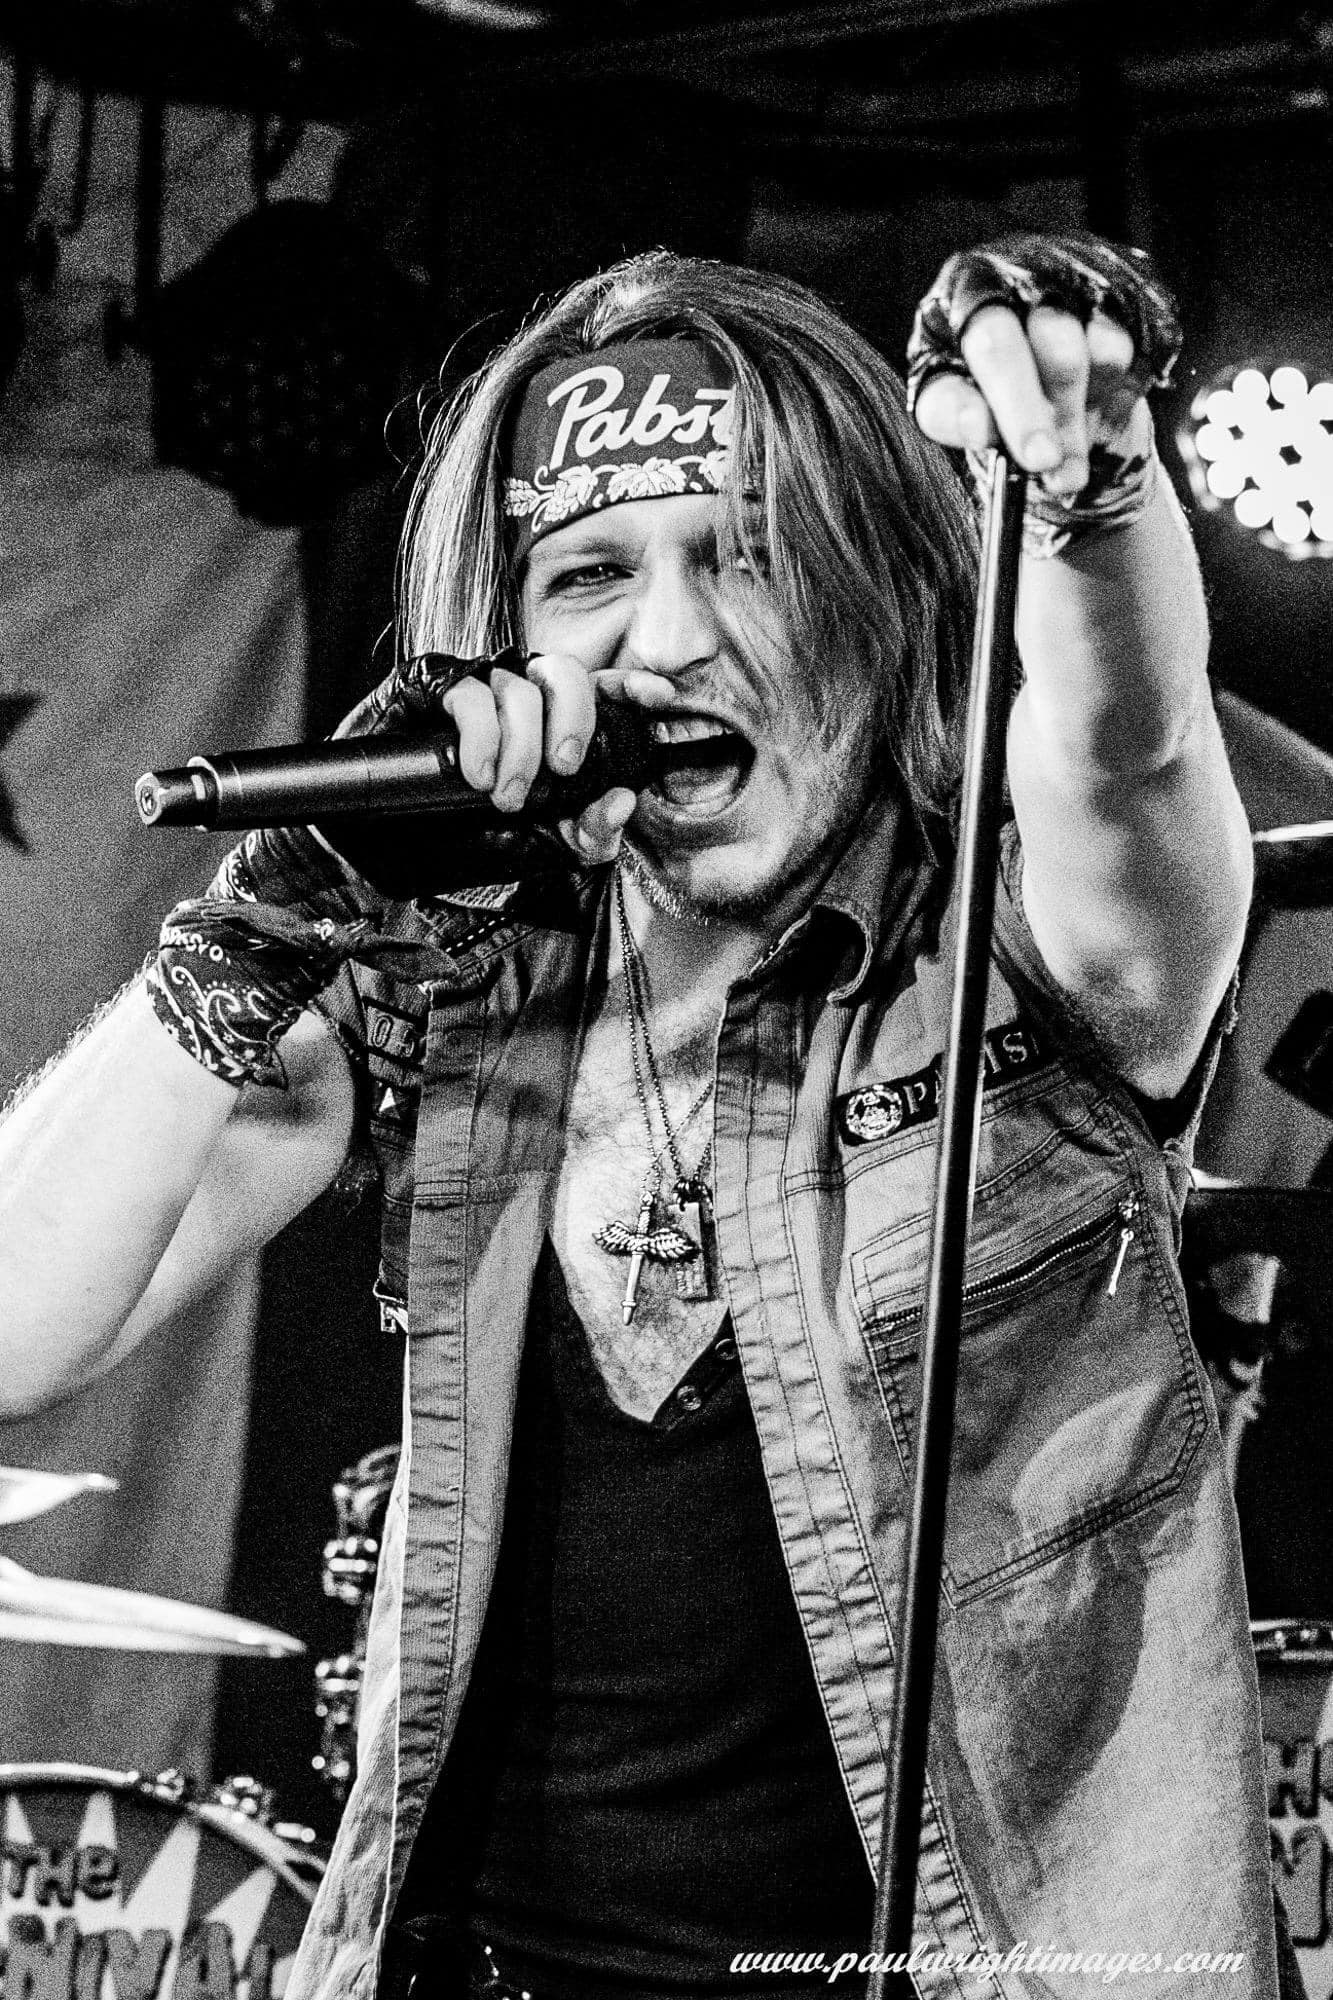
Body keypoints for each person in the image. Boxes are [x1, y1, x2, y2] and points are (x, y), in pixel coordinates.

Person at [0, 238, 1279, 2000]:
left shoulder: (1026, 950)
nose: (669, 641)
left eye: (748, 555)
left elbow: (1127, 751)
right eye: (592, 572)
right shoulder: (452, 987)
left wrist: (1087, 485)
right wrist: (265, 916)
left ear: (874, 595)